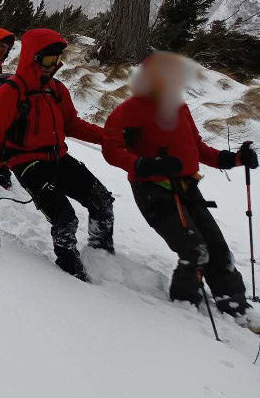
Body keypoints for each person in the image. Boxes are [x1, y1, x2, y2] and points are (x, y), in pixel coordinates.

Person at [102, 52, 260, 331]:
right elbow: (111, 150)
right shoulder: (128, 112)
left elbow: (197, 149)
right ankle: (184, 304)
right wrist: (146, 164)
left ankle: (234, 304)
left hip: (187, 187)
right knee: (195, 250)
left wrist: (234, 159)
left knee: (217, 247)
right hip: (153, 191)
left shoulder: (178, 107)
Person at [0, 28, 113, 282]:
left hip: (59, 158)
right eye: (49, 59)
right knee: (65, 218)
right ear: (33, 58)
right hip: (27, 164)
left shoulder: (56, 90)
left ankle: (102, 255)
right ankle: (72, 274)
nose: (54, 66)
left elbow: (73, 125)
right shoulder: (11, 92)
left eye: (57, 60)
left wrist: (109, 137)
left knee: (101, 200)